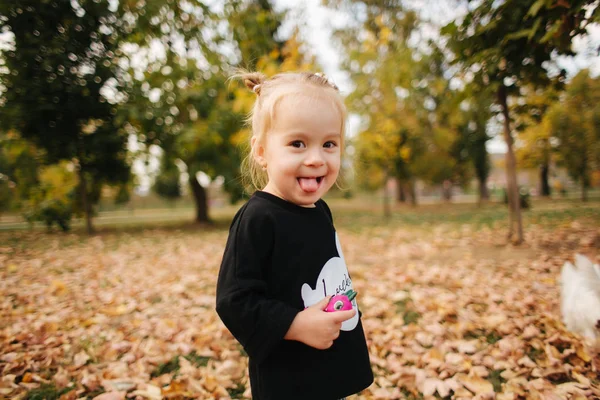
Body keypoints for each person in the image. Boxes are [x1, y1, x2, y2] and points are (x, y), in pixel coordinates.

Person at [216, 71, 373, 400]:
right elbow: (234, 301)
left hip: (329, 366)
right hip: (289, 378)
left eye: (329, 144)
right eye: (297, 144)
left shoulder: (319, 209)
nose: (316, 158)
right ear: (261, 151)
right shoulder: (258, 219)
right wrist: (294, 325)